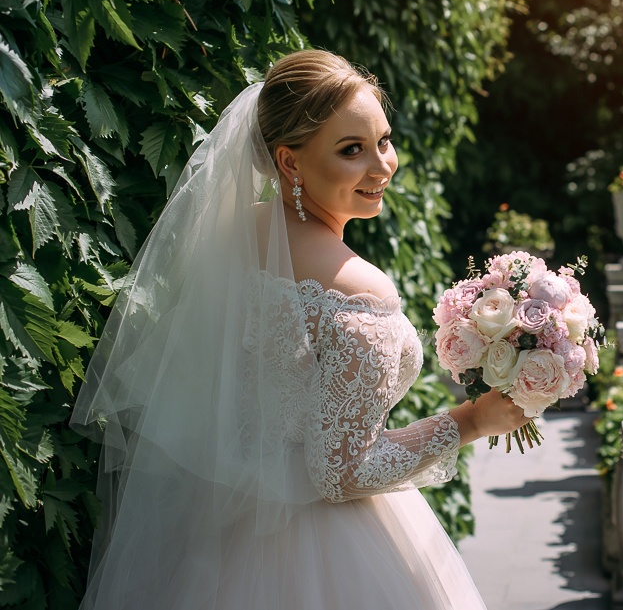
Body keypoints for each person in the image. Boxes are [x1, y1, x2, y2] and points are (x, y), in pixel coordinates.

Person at [71, 50, 527, 610]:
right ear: (290, 163)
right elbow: (342, 471)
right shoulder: (360, 290)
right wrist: (472, 419)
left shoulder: (238, 231)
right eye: (351, 150)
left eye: (383, 141)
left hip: (220, 533)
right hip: (333, 551)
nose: (382, 167)